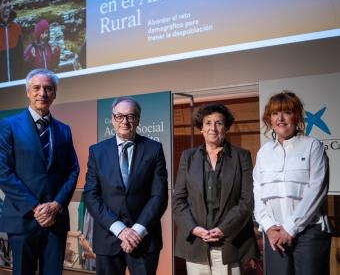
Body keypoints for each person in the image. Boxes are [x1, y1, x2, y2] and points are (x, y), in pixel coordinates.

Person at [0, 68, 80, 275]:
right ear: (28, 92)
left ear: (55, 94)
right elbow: (3, 171)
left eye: (48, 88)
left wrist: (56, 205)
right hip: (23, 219)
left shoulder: (64, 130)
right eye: (36, 88)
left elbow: (73, 170)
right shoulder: (8, 125)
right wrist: (35, 208)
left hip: (56, 221)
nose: (42, 93)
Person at [84, 96, 168, 275]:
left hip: (144, 239)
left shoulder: (154, 149)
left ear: (138, 119)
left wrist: (137, 231)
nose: (125, 121)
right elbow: (91, 195)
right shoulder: (97, 152)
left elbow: (159, 196)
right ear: (112, 119)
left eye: (130, 116)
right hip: (108, 237)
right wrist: (120, 229)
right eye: (119, 116)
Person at [173, 103, 258, 275]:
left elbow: (247, 200)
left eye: (219, 123)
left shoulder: (241, 156)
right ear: (201, 128)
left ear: (226, 128)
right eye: (208, 123)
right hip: (196, 242)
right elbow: (179, 200)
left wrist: (223, 229)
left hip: (229, 242)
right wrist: (194, 228)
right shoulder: (188, 157)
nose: (213, 128)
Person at [253, 91, 331, 275]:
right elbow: (257, 191)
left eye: (286, 112)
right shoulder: (264, 153)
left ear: (296, 116)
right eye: (274, 113)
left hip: (309, 234)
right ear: (269, 119)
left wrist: (290, 228)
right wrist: (269, 227)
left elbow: (316, 190)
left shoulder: (313, 146)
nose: (280, 118)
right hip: (275, 235)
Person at [0, 0, 24, 82]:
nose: (8, 4)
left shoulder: (16, 28)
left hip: (15, 82)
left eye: (10, 1)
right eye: (5, 2)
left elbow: (20, 58)